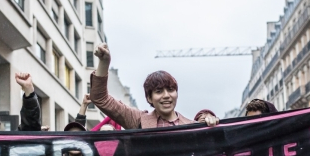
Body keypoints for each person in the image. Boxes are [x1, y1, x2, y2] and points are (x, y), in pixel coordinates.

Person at [90, 43, 219, 129]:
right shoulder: (138, 121)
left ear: (176, 93)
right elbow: (100, 98)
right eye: (159, 91)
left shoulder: (192, 126)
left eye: (170, 90)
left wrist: (208, 122)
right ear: (149, 98)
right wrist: (104, 62)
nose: (166, 96)